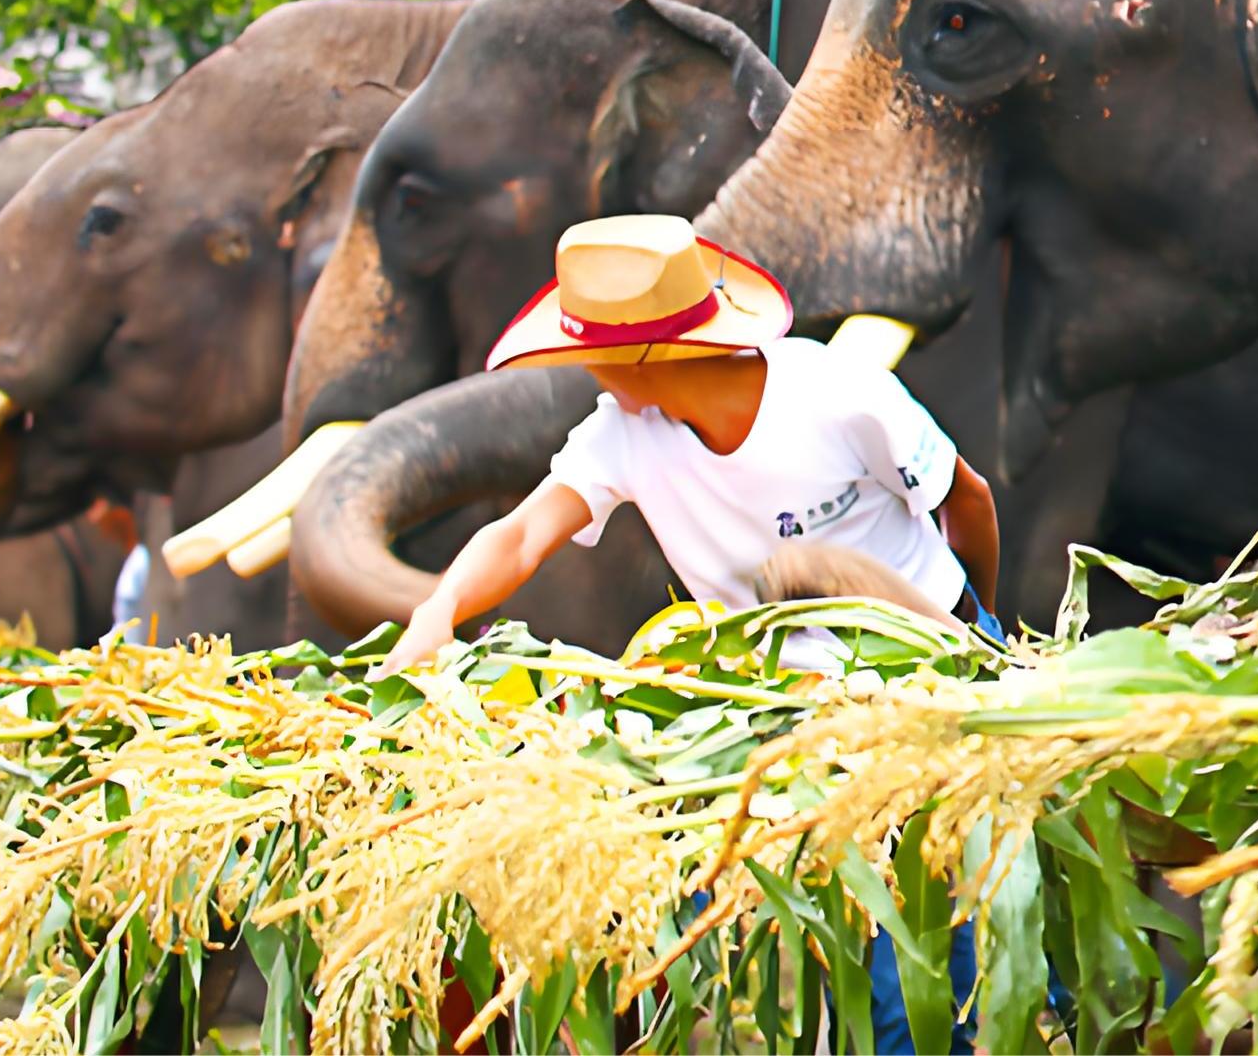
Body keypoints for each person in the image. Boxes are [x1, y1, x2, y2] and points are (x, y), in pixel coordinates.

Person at [392, 213, 996, 1049]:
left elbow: (967, 499)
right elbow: (523, 534)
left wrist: (980, 643)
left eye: (591, 350)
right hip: (782, 714)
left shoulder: (838, 394)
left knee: (912, 983)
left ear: (641, 356)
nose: (586, 370)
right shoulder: (623, 436)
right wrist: (436, 612)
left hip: (919, 682)